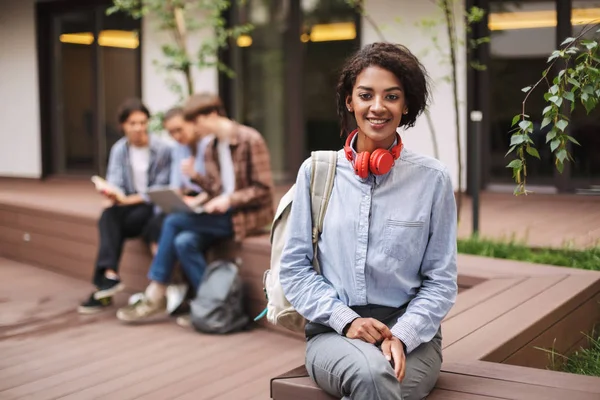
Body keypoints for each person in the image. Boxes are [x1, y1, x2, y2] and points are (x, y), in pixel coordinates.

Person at [279, 43, 458, 400]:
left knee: (377, 384)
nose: (378, 107)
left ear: (406, 104)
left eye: (391, 96)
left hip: (412, 335)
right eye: (366, 95)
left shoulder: (433, 179)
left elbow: (441, 280)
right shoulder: (315, 172)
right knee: (374, 378)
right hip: (334, 331)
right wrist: (348, 320)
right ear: (350, 101)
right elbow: (294, 269)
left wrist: (402, 335)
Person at [116, 92, 275, 323]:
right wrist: (196, 179)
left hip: (245, 216)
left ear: (212, 114)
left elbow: (263, 189)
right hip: (221, 214)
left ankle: (156, 293)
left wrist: (228, 200)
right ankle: (208, 308)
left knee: (173, 221)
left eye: (196, 122)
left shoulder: (250, 139)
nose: (194, 129)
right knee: (184, 242)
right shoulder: (212, 146)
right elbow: (217, 188)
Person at [78, 98, 172, 315]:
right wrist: (111, 194)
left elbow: (160, 189)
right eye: (133, 123)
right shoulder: (119, 150)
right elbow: (116, 182)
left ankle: (103, 286)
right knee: (109, 215)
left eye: (142, 122)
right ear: (123, 126)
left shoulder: (162, 150)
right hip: (132, 210)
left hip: (154, 208)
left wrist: (127, 200)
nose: (139, 128)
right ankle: (109, 275)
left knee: (117, 221)